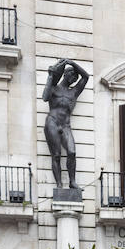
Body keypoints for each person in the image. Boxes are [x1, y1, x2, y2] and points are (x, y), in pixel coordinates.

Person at [42, 59, 89, 189]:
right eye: (73, 75)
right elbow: (45, 97)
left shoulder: (74, 92)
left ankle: (72, 182)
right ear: (65, 74)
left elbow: (86, 77)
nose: (74, 79)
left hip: (65, 125)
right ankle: (59, 185)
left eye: (75, 77)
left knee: (72, 152)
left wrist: (73, 63)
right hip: (52, 122)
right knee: (56, 155)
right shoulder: (54, 88)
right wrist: (50, 77)